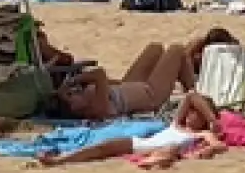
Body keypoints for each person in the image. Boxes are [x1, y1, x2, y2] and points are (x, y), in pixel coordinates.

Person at [36, 92, 231, 168]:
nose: (190, 114)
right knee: (102, 147)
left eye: (196, 113)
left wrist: (210, 147)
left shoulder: (200, 134)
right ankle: (59, 160)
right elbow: (191, 96)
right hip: (141, 144)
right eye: (191, 111)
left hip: (162, 150)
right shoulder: (177, 124)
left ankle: (151, 162)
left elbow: (220, 145)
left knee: (170, 149)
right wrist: (212, 118)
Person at [57, 43, 197, 119]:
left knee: (155, 48)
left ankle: (192, 91)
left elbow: (106, 82)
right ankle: (196, 96)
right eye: (71, 97)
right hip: (150, 95)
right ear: (74, 109)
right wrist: (72, 81)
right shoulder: (98, 109)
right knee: (177, 50)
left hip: (128, 85)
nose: (74, 94)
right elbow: (99, 74)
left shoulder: (88, 97)